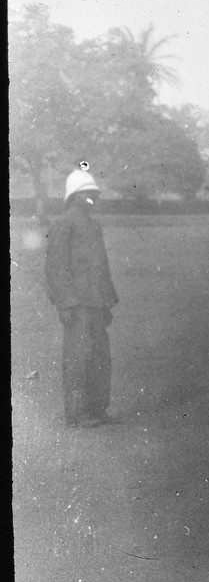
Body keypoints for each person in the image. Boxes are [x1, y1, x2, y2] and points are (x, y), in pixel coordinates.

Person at [45, 165, 120, 427]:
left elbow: (102, 265)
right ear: (74, 196)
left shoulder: (93, 225)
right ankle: (77, 414)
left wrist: (108, 301)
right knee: (78, 358)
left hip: (96, 302)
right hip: (77, 304)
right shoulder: (63, 225)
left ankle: (98, 409)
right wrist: (64, 303)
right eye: (87, 194)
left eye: (95, 194)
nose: (93, 198)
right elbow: (56, 267)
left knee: (100, 357)